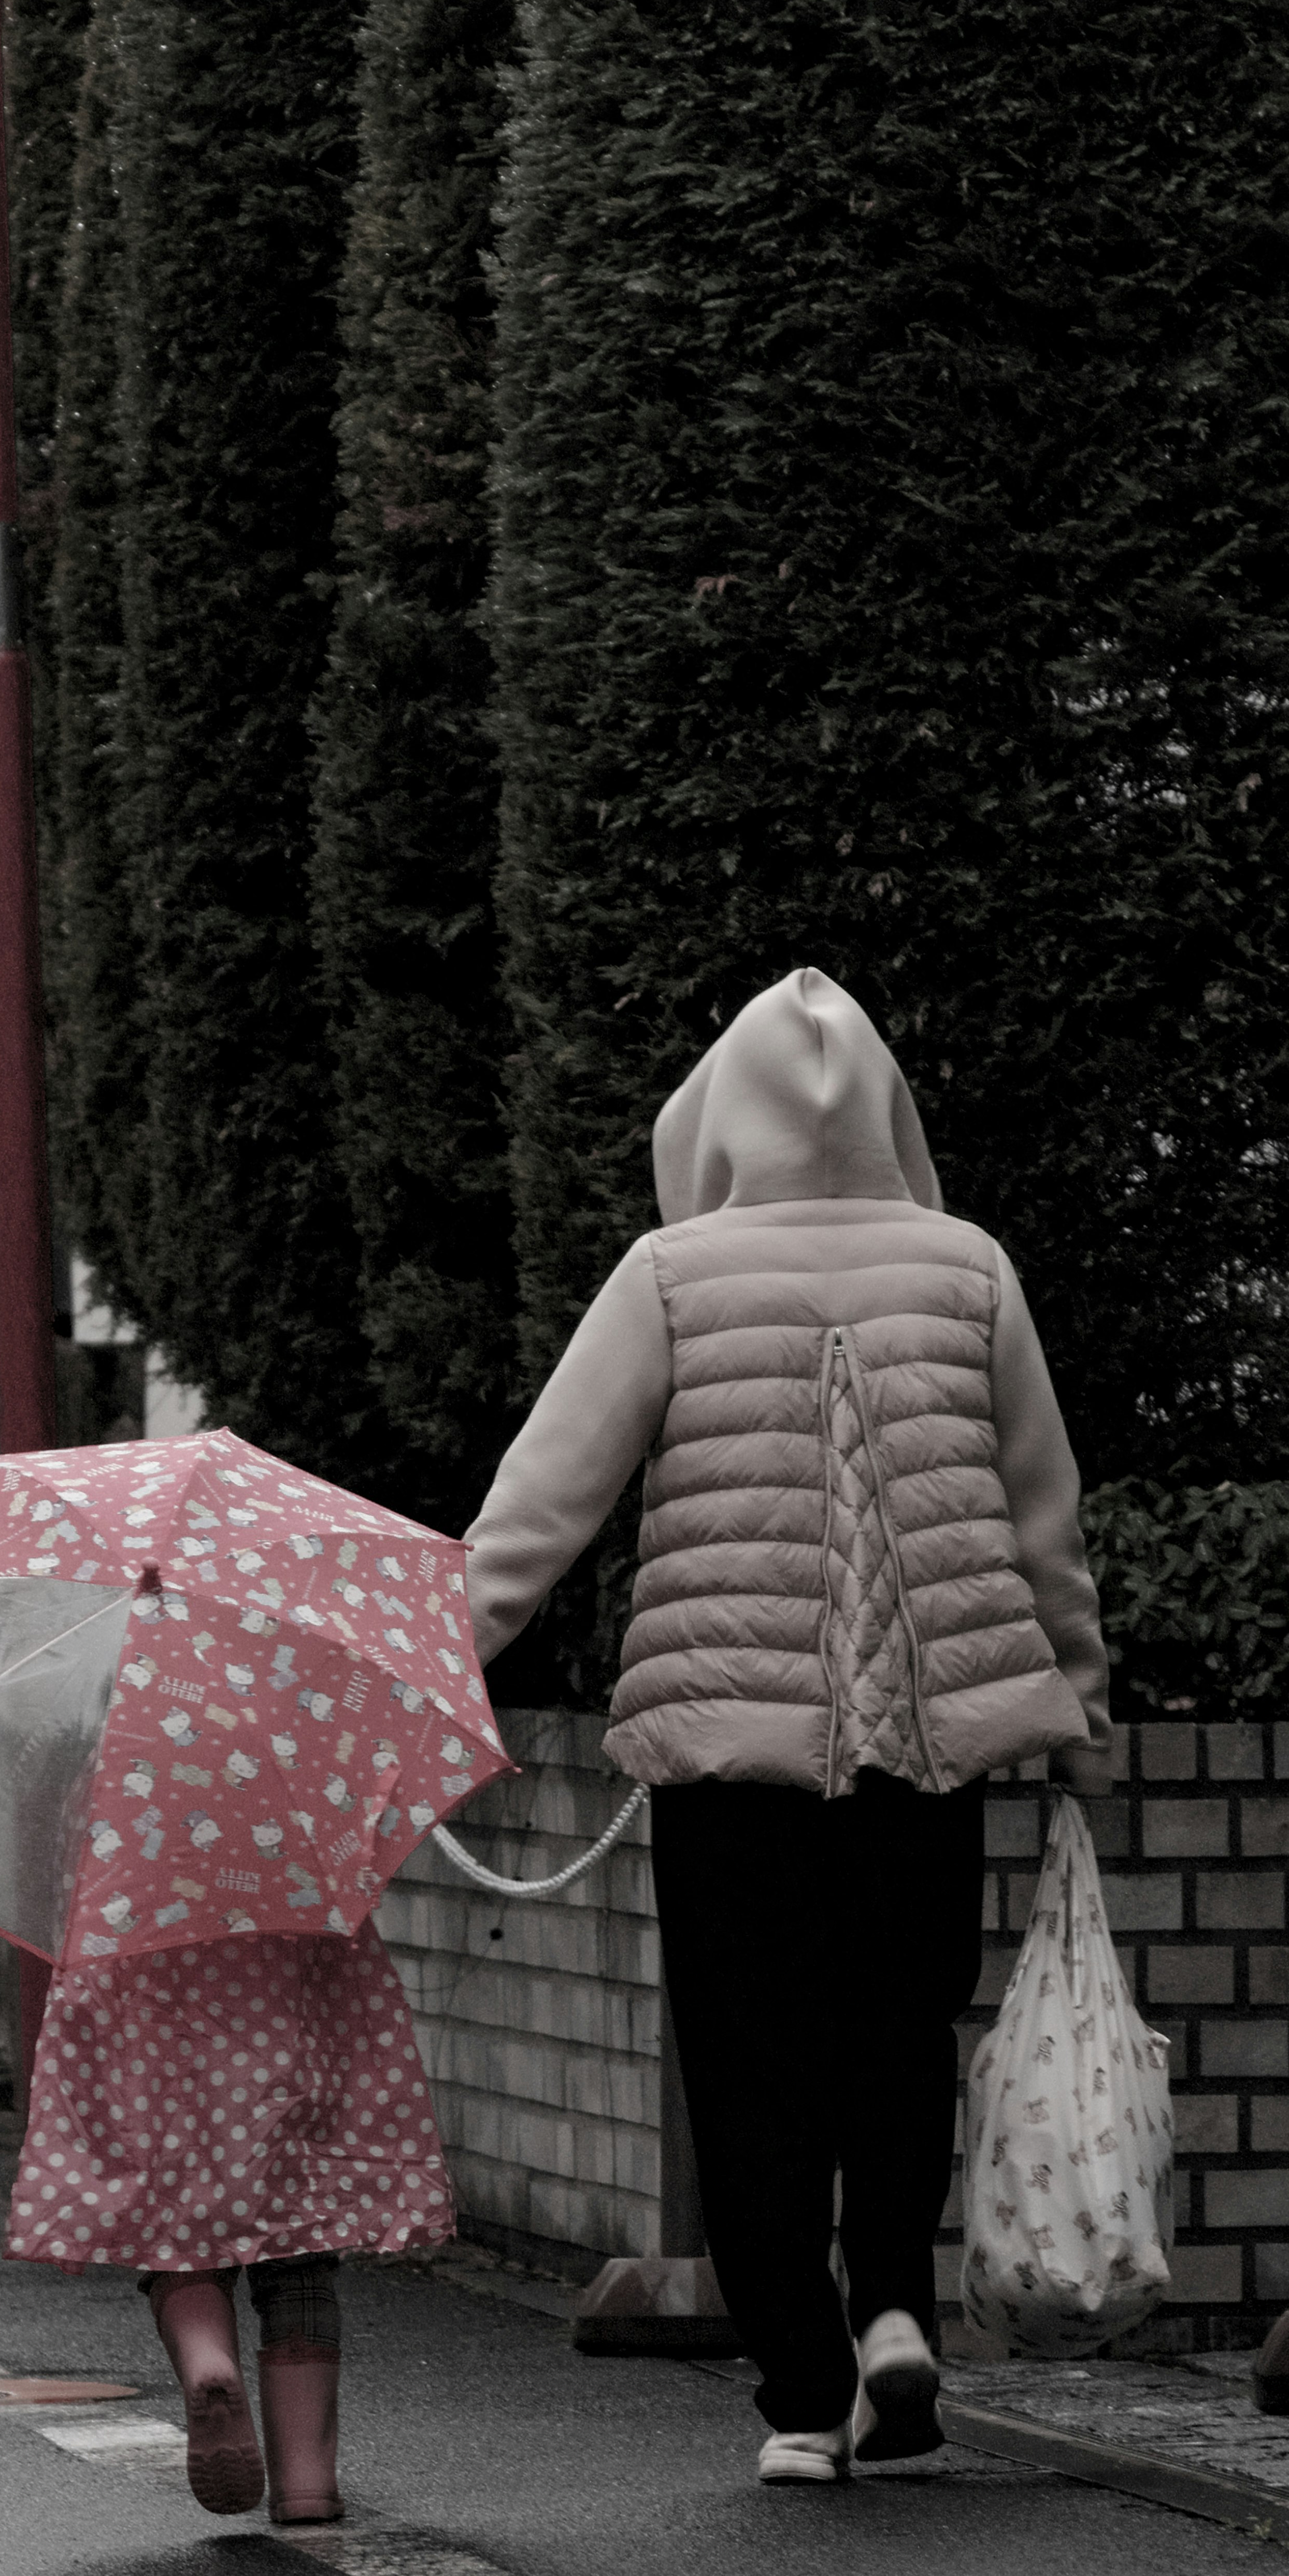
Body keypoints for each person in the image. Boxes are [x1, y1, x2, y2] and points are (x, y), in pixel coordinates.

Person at [463, 969, 1112, 2483]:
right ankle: (893, 2310)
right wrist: (1078, 1707)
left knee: (748, 2064)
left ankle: (806, 2385)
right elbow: (1042, 1512)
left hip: (725, 1761)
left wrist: (438, 1660)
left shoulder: (671, 1275)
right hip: (928, 1753)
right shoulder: (967, 1272)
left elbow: (539, 1506)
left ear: (719, 1121)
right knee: (895, 2037)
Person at [5, 1924, 455, 2520]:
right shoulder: (300, 1843)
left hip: (152, 2023)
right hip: (283, 2018)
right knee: (301, 2250)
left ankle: (206, 2358)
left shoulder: (122, 1854)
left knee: (177, 2235)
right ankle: (306, 2485)